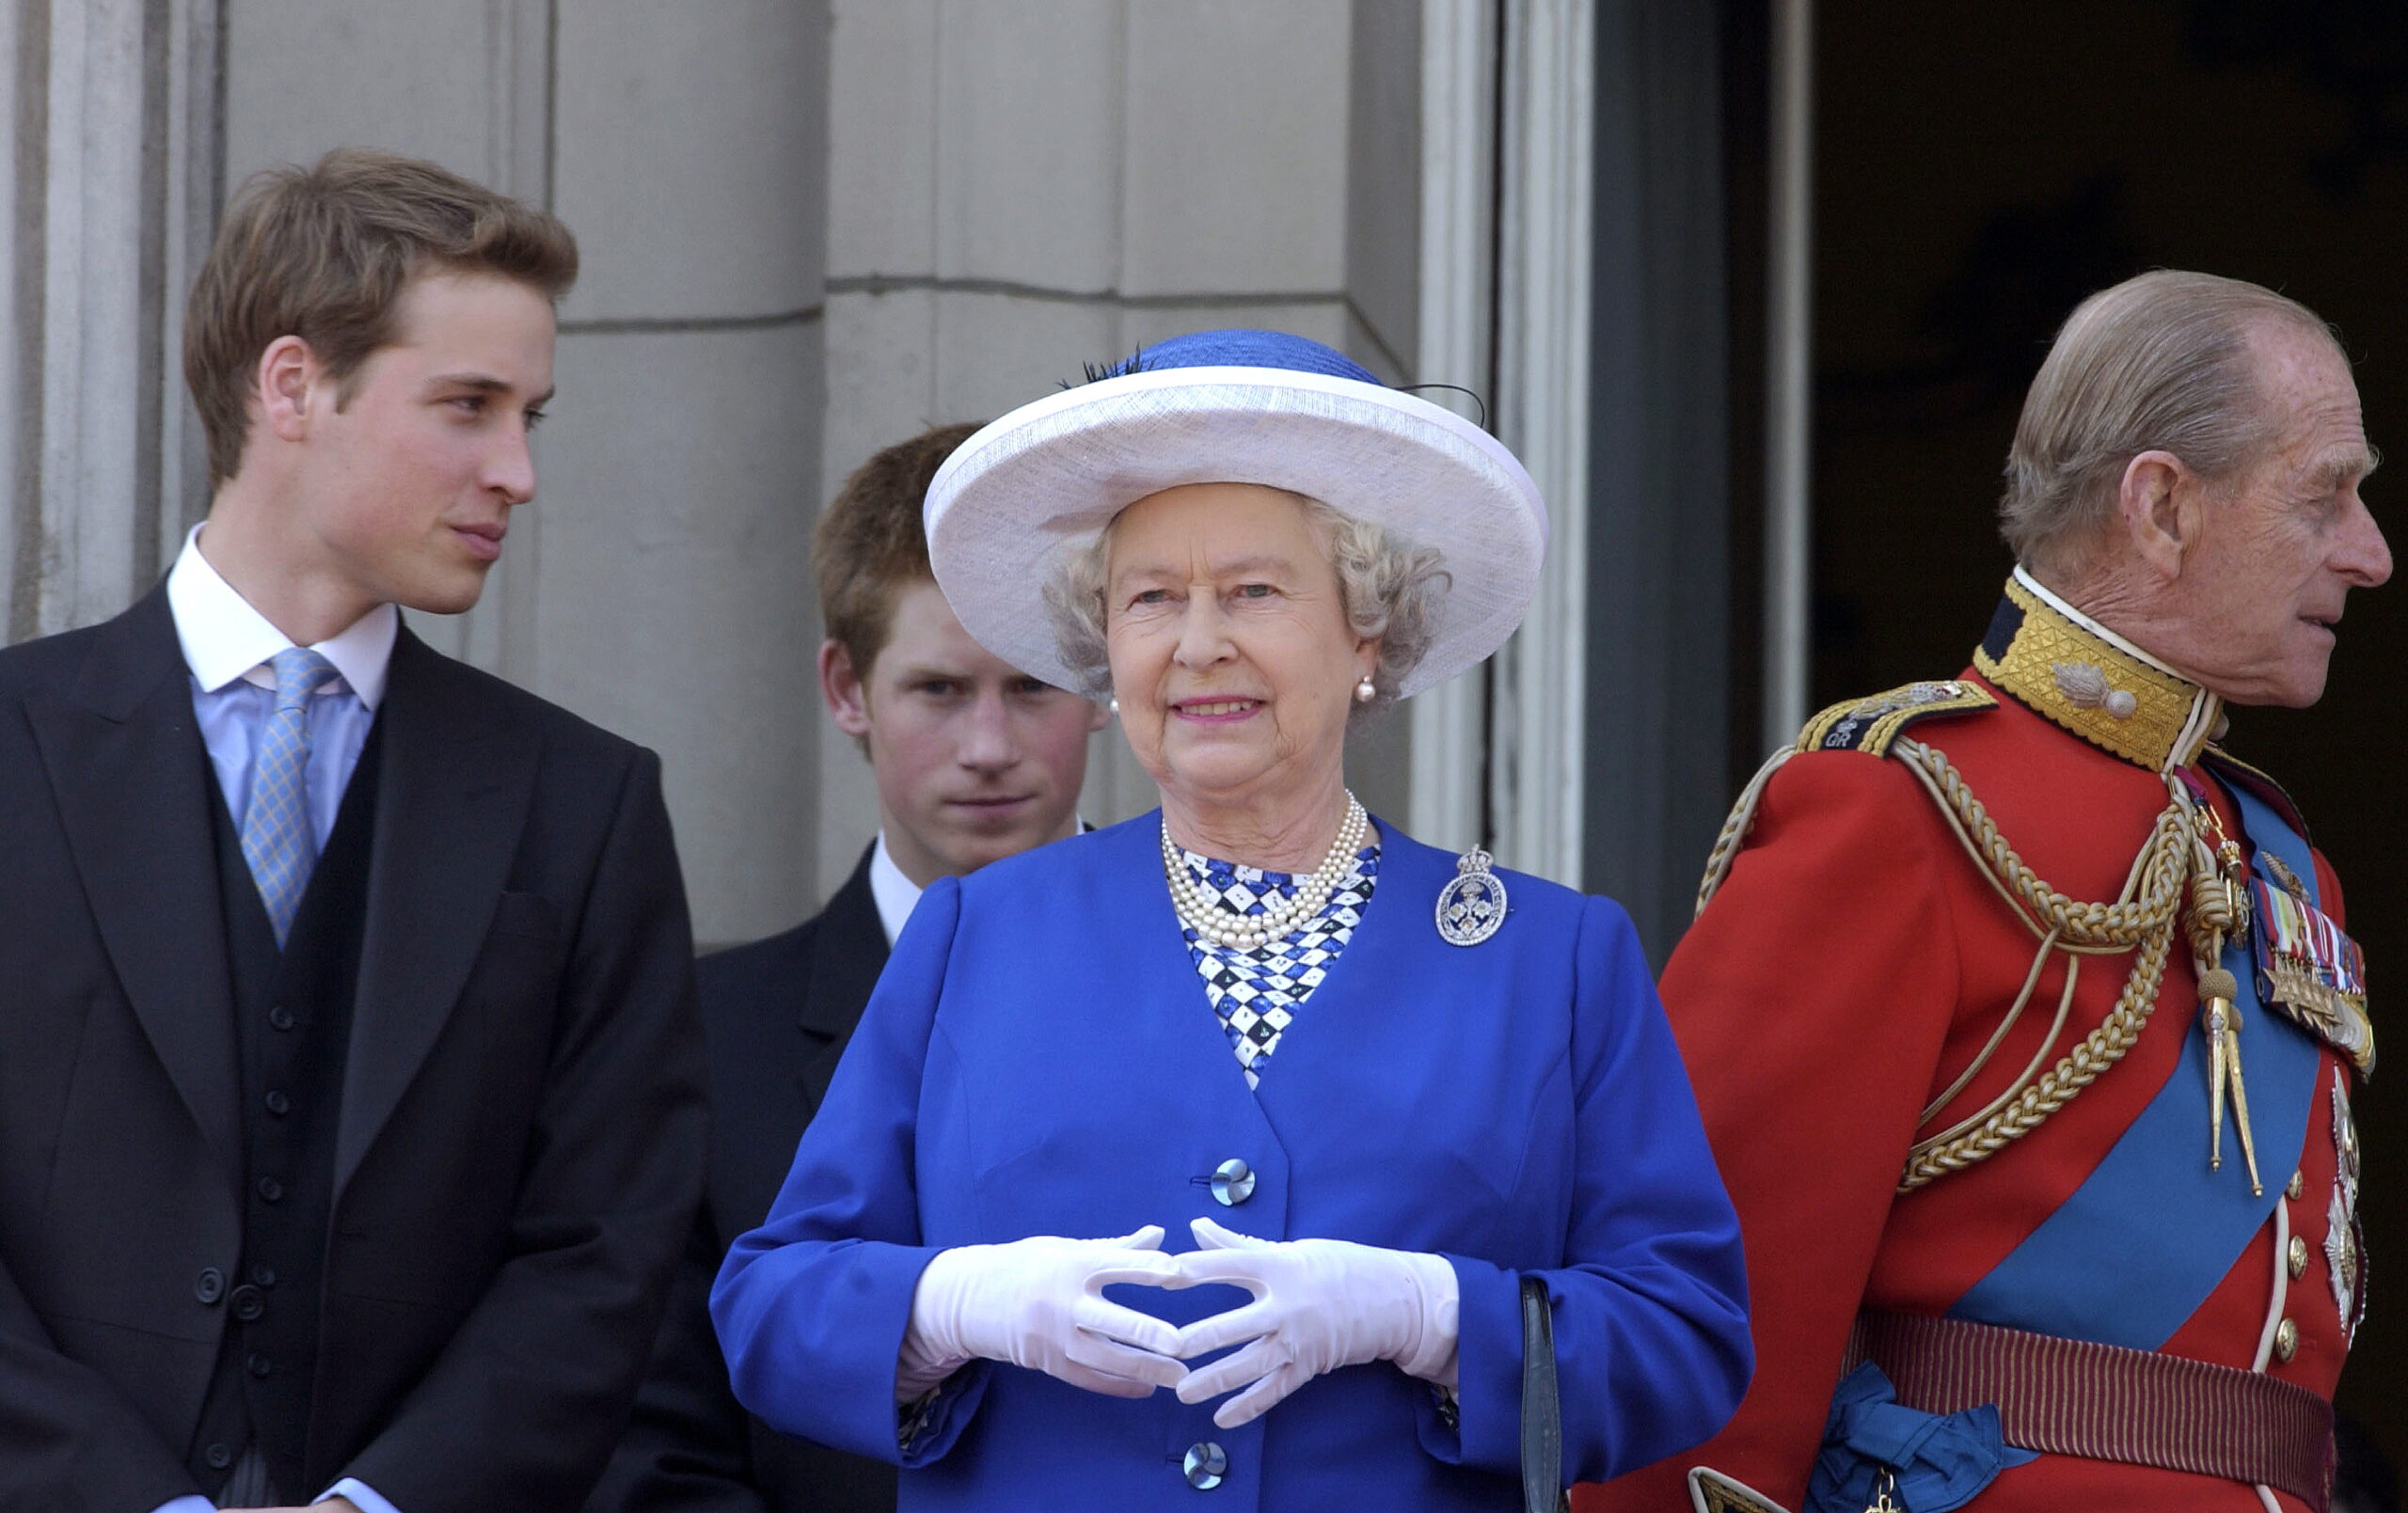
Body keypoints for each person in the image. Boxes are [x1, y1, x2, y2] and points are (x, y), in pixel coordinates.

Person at [710, 329, 1751, 1511]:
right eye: (1152, 598)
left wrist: (1436, 1316)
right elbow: (770, 1304)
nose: (1199, 643)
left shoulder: (1552, 959)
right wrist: (950, 1306)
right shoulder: (970, 938)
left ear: (1367, 628)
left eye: (1253, 590)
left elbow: (1688, 1336)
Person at [1586, 271, 2386, 1513]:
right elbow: (1700, 1322)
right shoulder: (1896, 809)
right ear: (2162, 508)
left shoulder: (2279, 857)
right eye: (2325, 494)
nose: (2370, 553)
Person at [0, 149, 705, 1512]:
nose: (517, 472)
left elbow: (611, 1244)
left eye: (530, 419)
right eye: (467, 406)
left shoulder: (583, 803)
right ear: (291, 386)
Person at [586, 422, 1106, 1512]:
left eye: (1029, 688)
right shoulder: (700, 1034)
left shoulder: (1229, 995)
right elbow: (648, 1452)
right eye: (937, 689)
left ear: (1101, 688)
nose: (987, 745)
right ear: (845, 688)